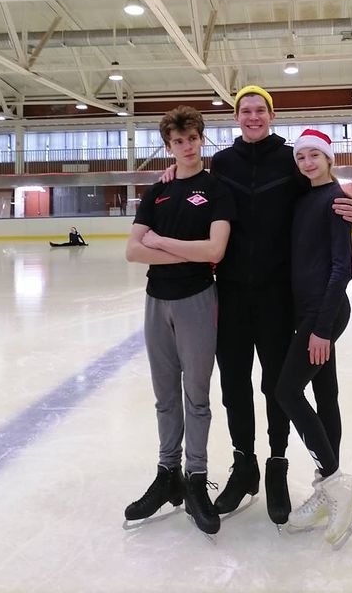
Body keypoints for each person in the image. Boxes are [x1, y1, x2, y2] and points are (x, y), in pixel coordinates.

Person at [207, 86, 352, 527]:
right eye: (245, 111)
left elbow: (326, 194)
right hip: (232, 293)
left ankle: (277, 466)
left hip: (279, 298)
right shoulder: (222, 163)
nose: (253, 117)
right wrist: (171, 173)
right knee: (234, 384)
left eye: (260, 110)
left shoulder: (290, 160)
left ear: (271, 115)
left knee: (276, 386)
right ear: (236, 117)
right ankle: (244, 466)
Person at [123, 106, 235, 536]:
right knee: (165, 396)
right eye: (178, 142)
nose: (186, 147)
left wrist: (162, 242)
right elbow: (134, 251)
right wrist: (185, 250)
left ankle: (195, 479)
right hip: (157, 302)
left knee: (196, 397)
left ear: (201, 139)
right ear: (169, 146)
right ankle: (167, 473)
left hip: (197, 301)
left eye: (192, 139)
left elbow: (214, 251)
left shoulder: (216, 189)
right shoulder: (158, 191)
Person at [275, 128, 352, 549]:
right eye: (301, 157)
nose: (307, 162)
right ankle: (327, 488)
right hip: (308, 312)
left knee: (286, 391)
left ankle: (336, 483)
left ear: (329, 158)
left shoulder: (336, 200)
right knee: (325, 394)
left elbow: (342, 268)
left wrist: (321, 327)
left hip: (324, 313)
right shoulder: (304, 197)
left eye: (315, 155)